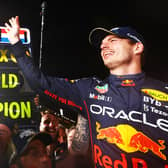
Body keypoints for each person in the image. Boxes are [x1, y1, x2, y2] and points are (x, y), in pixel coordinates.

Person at [5, 16, 168, 168]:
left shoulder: (164, 92)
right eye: (102, 43)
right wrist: (16, 44)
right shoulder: (89, 89)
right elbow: (40, 82)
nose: (103, 46)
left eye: (112, 40)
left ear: (137, 47)